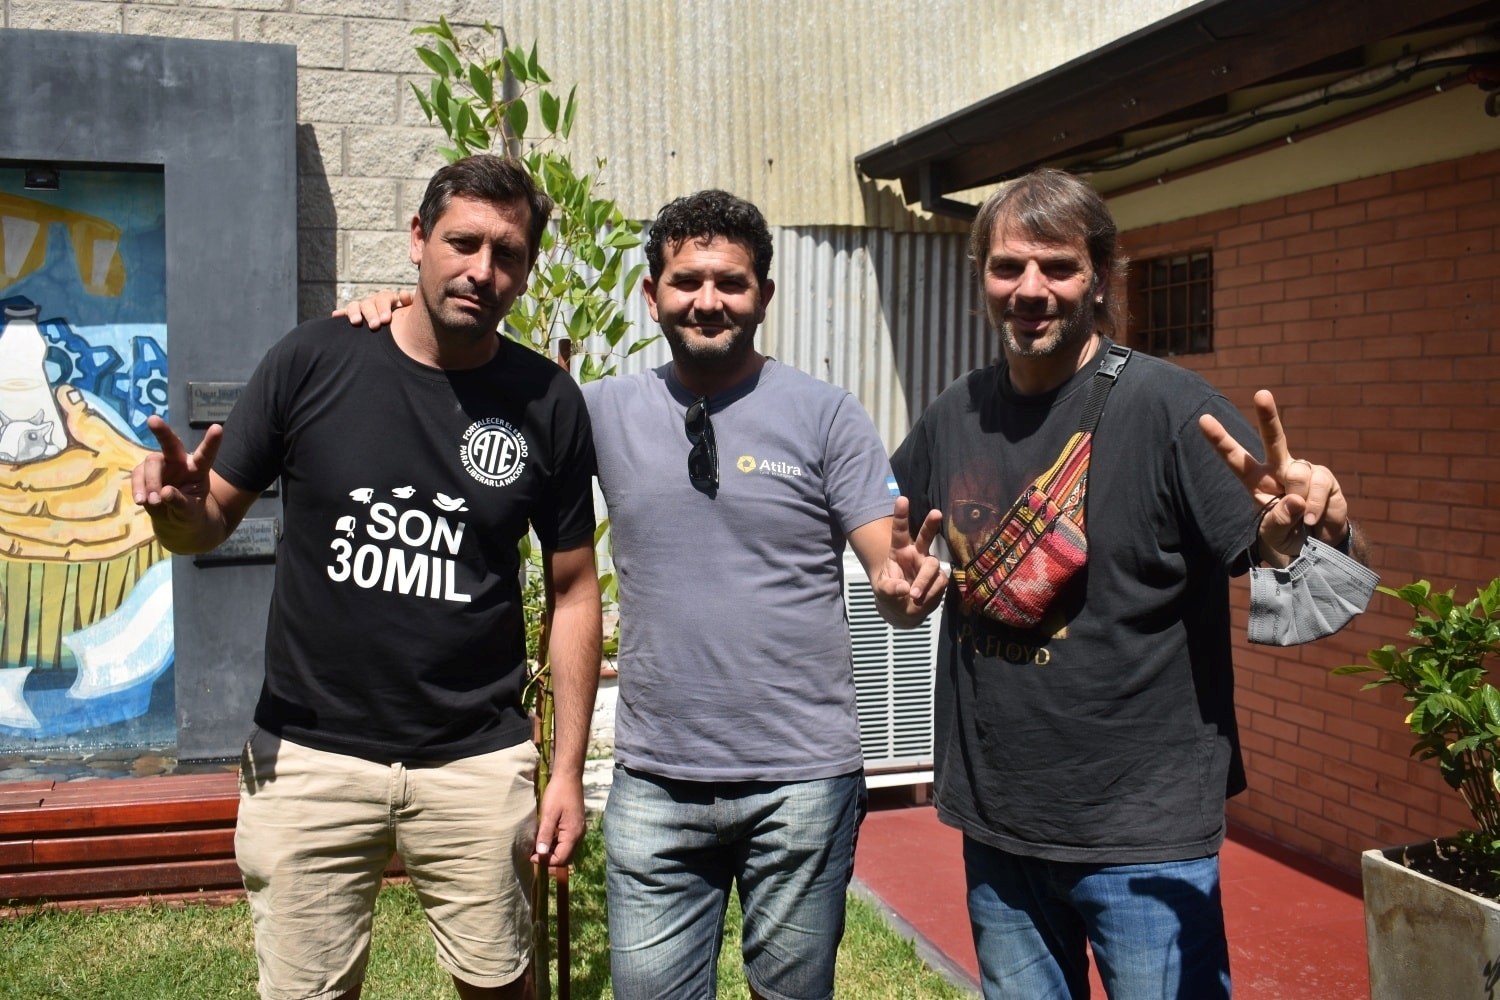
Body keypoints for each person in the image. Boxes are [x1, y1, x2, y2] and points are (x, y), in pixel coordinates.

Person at [338, 189, 945, 1000]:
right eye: (687, 281)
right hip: (656, 778)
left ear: (764, 295)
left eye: (731, 283)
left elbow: (886, 567)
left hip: (801, 779)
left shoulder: (826, 415)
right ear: (652, 295)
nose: (708, 300)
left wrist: (902, 589)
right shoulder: (599, 410)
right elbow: (473, 391)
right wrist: (395, 313)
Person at [890, 167, 1374, 1000]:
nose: (1030, 290)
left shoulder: (1169, 408)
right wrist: (895, 592)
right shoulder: (955, 412)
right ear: (981, 277)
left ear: (1100, 278)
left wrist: (1320, 532)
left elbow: (1317, 583)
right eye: (1008, 267)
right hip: (997, 822)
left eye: (1058, 267)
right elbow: (898, 551)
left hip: (1143, 836)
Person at [132, 154, 602, 1000]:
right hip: (309, 757)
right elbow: (209, 522)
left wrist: (564, 769)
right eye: (462, 242)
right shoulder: (313, 360)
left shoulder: (547, 402)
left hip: (474, 760)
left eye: (507, 254)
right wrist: (176, 510)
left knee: (502, 984)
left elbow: (573, 589)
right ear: (418, 238)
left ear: (528, 270)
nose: (482, 271)